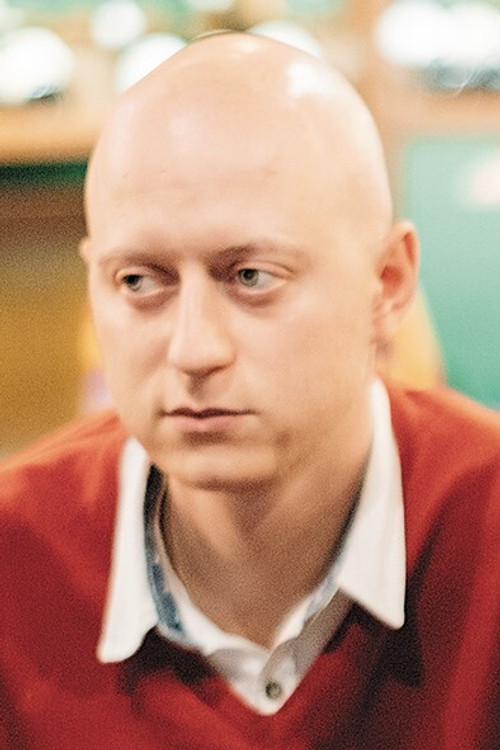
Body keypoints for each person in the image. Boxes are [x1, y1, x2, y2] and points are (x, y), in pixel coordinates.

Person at [1, 32, 498, 750]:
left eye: (251, 277)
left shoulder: (483, 527)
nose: (194, 349)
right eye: (139, 281)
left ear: (387, 284)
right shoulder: (16, 558)